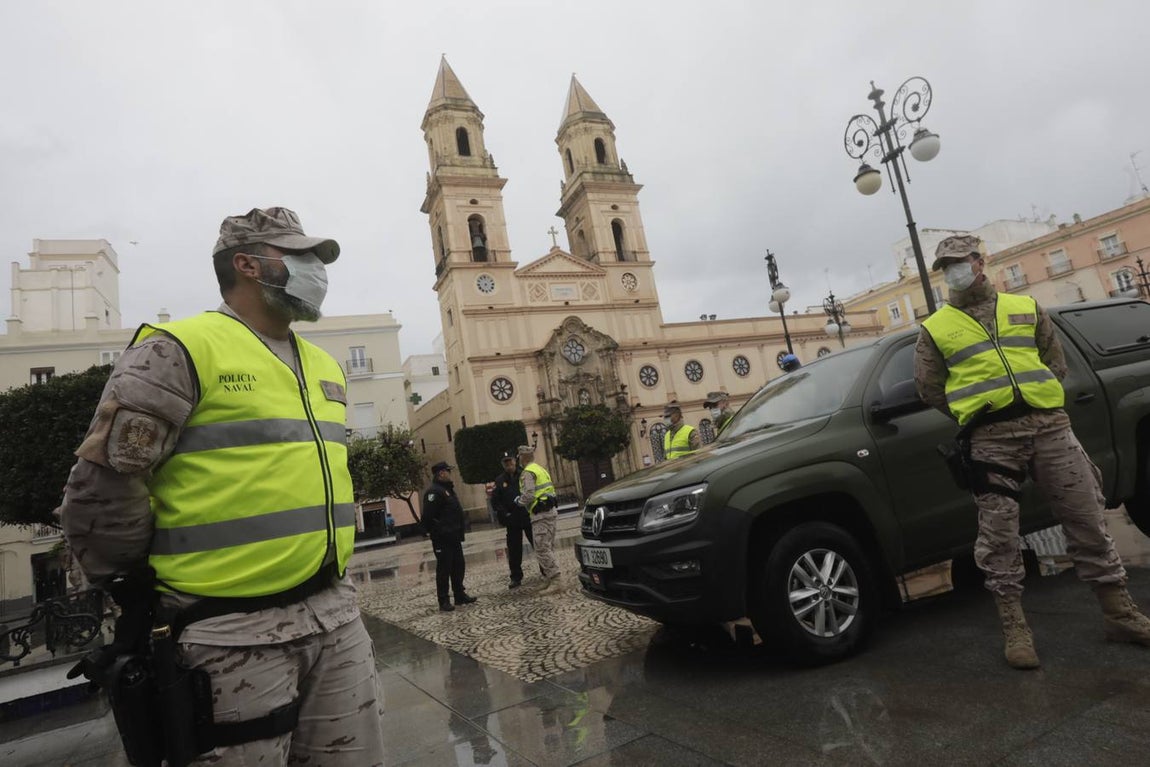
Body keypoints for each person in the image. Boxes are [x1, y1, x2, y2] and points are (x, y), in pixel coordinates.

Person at [59, 206, 385, 764]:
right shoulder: (176, 349)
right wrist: (135, 591)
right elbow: (104, 486)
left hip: (335, 614)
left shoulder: (324, 364)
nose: (317, 270)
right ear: (247, 264)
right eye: (300, 256)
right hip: (227, 631)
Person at [914, 234, 1150, 670]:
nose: (952, 273)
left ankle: (1119, 613)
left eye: (958, 262)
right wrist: (977, 411)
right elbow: (929, 389)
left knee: (1086, 516)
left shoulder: (1024, 307)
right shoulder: (936, 327)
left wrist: (1035, 396)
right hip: (990, 439)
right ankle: (1015, 627)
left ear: (979, 262)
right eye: (945, 267)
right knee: (999, 536)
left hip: (1049, 428)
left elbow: (1054, 361)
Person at [421, 461, 478, 611]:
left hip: (454, 536)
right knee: (444, 569)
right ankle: (443, 600)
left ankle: (459, 594)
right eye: (447, 471)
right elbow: (428, 517)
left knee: (458, 566)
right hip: (443, 538)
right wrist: (439, 531)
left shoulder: (447, 490)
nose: (449, 473)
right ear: (441, 473)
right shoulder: (434, 492)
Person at [515, 445, 562, 591]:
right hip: (550, 511)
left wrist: (518, 501)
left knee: (542, 548)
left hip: (540, 514)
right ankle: (548, 577)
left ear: (522, 458)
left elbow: (529, 494)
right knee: (548, 547)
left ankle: (556, 579)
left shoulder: (528, 473)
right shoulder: (540, 469)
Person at [491, 450, 534, 589]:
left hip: (527, 516)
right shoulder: (499, 480)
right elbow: (495, 501)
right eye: (505, 463)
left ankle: (546, 570)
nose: (508, 465)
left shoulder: (524, 474)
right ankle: (516, 576)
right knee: (514, 550)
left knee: (537, 544)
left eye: (510, 461)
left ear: (515, 461)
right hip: (512, 519)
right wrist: (504, 514)